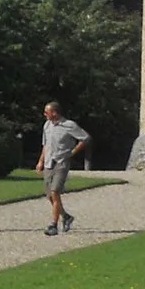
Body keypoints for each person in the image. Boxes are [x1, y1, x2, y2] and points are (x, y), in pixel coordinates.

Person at [36, 101, 89, 236]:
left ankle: (53, 225)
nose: (44, 114)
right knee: (49, 195)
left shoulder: (69, 125)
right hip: (49, 162)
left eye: (47, 112)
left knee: (55, 192)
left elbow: (85, 138)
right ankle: (66, 216)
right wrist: (40, 161)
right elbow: (45, 144)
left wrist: (72, 152)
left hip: (61, 162)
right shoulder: (47, 125)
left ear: (55, 112)